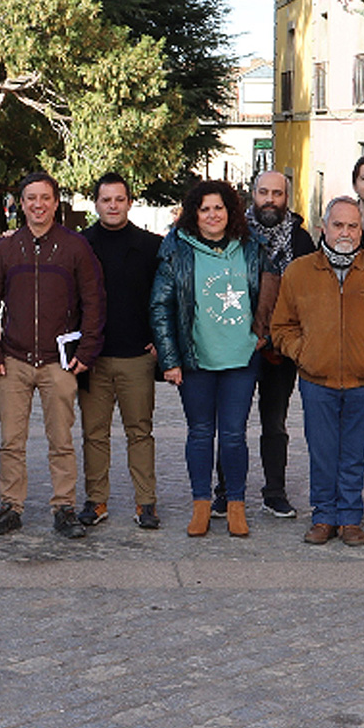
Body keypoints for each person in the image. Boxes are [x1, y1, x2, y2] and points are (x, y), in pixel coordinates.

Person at [268, 197, 364, 547]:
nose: (346, 232)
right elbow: (282, 325)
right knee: (322, 452)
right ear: (324, 227)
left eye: (353, 226)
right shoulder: (300, 271)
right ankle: (323, 516)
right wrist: (302, 353)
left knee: (353, 453)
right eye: (338, 225)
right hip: (316, 380)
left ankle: (350, 518)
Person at [0, 170, 106, 538]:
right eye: (31, 198)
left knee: (61, 440)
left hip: (59, 361)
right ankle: (10, 506)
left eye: (45, 198)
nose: (38, 205)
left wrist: (87, 350)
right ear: (22, 203)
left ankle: (64, 507)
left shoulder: (75, 246)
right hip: (14, 359)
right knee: (11, 441)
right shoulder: (6, 247)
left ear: (56, 202)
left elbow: (94, 301)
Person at [151, 180, 275, 538]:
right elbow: (161, 306)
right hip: (196, 360)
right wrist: (170, 360)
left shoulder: (251, 247)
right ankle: (201, 504)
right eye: (204, 209)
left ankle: (235, 504)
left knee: (234, 436)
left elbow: (269, 293)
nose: (212, 215)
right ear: (194, 214)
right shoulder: (177, 249)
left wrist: (262, 336)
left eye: (218, 208)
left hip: (241, 359)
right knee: (201, 433)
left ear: (230, 211)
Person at [79, 172, 163, 530]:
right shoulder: (80, 244)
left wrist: (162, 340)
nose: (112, 206)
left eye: (119, 199)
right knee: (94, 434)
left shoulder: (151, 245)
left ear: (130, 202)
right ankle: (96, 501)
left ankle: (146, 503)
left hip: (137, 358)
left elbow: (165, 298)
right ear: (95, 203)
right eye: (105, 200)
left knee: (139, 432)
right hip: (93, 358)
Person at [234, 169, 317, 518]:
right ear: (252, 195)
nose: (270, 199)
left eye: (277, 194)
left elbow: (312, 296)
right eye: (263, 192)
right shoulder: (235, 236)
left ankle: (274, 492)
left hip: (280, 351)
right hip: (237, 345)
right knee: (233, 423)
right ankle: (228, 493)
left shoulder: (301, 241)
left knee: (275, 423)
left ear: (287, 198)